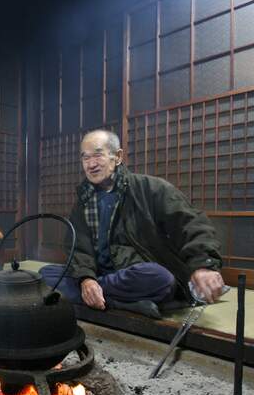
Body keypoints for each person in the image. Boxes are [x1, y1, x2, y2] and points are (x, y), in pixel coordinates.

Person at [40, 129, 225, 318]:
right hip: (100, 274)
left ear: (118, 156)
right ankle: (122, 302)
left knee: (160, 278)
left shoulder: (149, 188)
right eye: (85, 158)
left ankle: (101, 296)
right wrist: (86, 279)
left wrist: (202, 265)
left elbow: (191, 223)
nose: (91, 164)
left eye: (98, 155)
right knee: (45, 274)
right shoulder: (84, 200)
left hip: (135, 275)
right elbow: (79, 248)